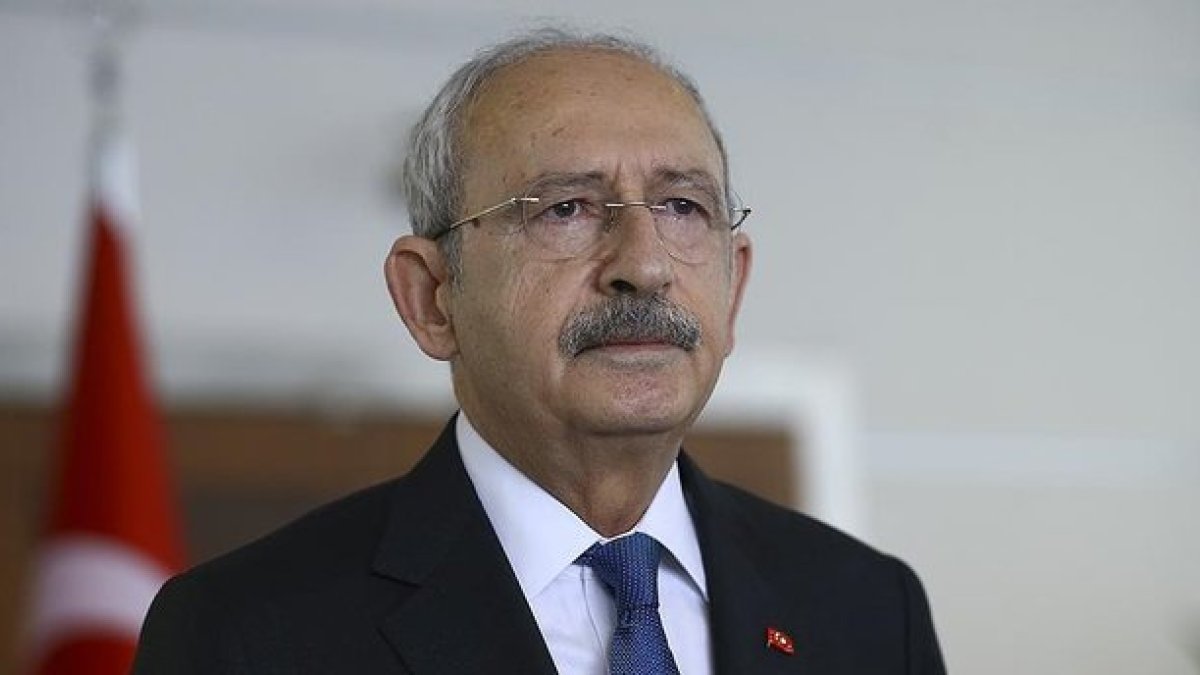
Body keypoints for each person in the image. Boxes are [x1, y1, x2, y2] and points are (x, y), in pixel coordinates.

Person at [133, 27, 946, 675]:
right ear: (432, 296)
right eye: (566, 208)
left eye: (681, 206)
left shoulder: (870, 608)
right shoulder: (248, 632)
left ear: (732, 290)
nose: (644, 265)